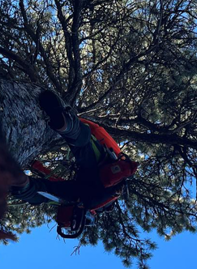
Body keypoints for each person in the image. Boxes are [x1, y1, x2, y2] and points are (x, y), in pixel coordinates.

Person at [11, 91, 137, 231]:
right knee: (48, 192)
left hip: (101, 171)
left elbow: (98, 131)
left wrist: (79, 121)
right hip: (91, 184)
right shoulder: (85, 201)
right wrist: (36, 166)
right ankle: (22, 186)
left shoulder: (108, 194)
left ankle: (69, 126)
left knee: (84, 147)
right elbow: (55, 183)